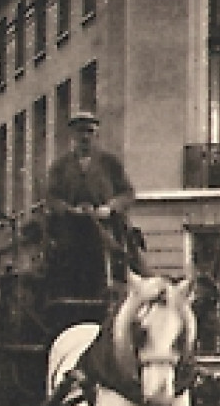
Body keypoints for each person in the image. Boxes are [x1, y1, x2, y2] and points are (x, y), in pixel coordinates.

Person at [45, 110, 145, 298]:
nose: (85, 137)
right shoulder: (60, 166)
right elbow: (51, 197)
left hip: (106, 227)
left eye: (89, 132)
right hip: (70, 228)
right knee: (58, 263)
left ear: (96, 134)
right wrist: (69, 210)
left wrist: (109, 207)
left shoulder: (110, 162)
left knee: (125, 257)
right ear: (72, 136)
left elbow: (127, 193)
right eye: (80, 132)